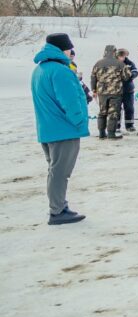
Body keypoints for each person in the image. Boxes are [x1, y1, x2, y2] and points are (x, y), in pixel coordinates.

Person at [32, 33, 89, 225]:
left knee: (55, 170)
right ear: (62, 48)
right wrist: (80, 122)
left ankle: (59, 206)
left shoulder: (40, 69)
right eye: (68, 48)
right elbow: (71, 102)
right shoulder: (60, 71)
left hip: (48, 128)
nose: (70, 52)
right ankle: (57, 211)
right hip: (63, 129)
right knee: (60, 172)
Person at [91, 44, 131, 140]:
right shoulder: (120, 63)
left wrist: (94, 89)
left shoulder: (98, 63)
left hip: (102, 92)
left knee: (102, 112)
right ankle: (111, 133)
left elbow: (93, 77)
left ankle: (101, 133)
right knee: (113, 113)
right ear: (114, 52)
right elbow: (126, 77)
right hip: (115, 92)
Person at [116, 48, 138, 133]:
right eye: (121, 55)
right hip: (116, 90)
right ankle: (116, 126)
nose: (122, 57)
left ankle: (130, 125)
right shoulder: (114, 63)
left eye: (124, 55)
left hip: (128, 89)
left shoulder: (129, 63)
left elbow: (135, 71)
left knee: (129, 108)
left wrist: (131, 75)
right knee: (116, 109)